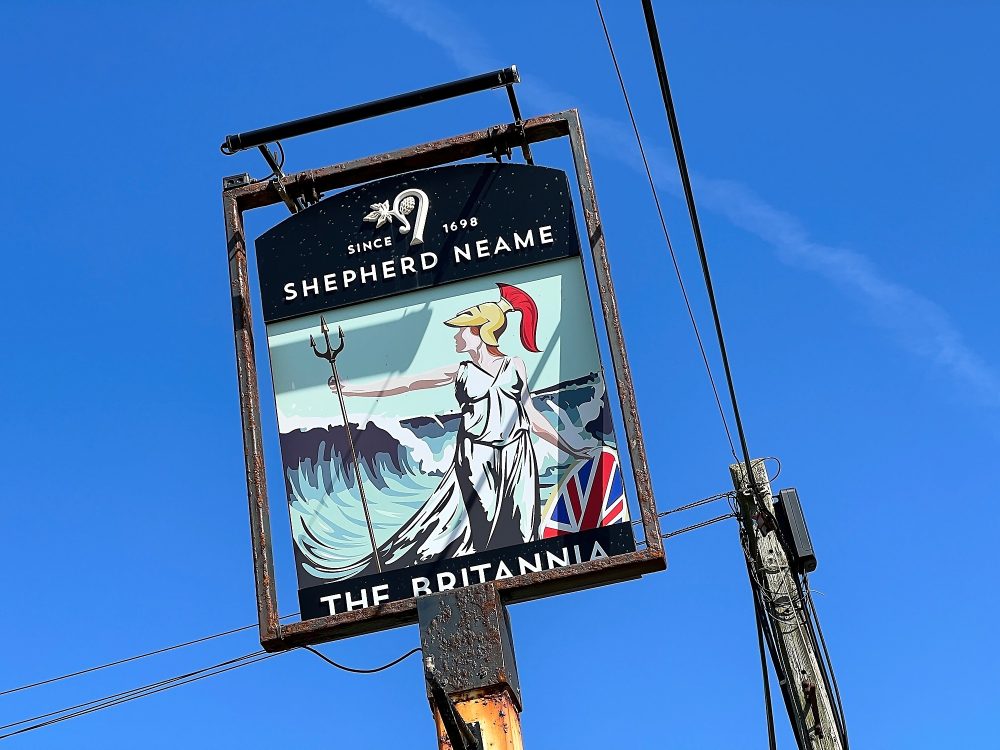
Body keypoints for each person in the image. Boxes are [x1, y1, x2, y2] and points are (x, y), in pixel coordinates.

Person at [322, 283, 593, 575]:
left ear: (480, 331)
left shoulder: (515, 365)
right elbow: (407, 384)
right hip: (476, 456)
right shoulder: (460, 370)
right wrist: (348, 390)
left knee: (523, 523)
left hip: (517, 453)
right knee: (486, 529)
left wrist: (571, 448)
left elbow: (531, 413)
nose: (455, 335)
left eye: (461, 329)